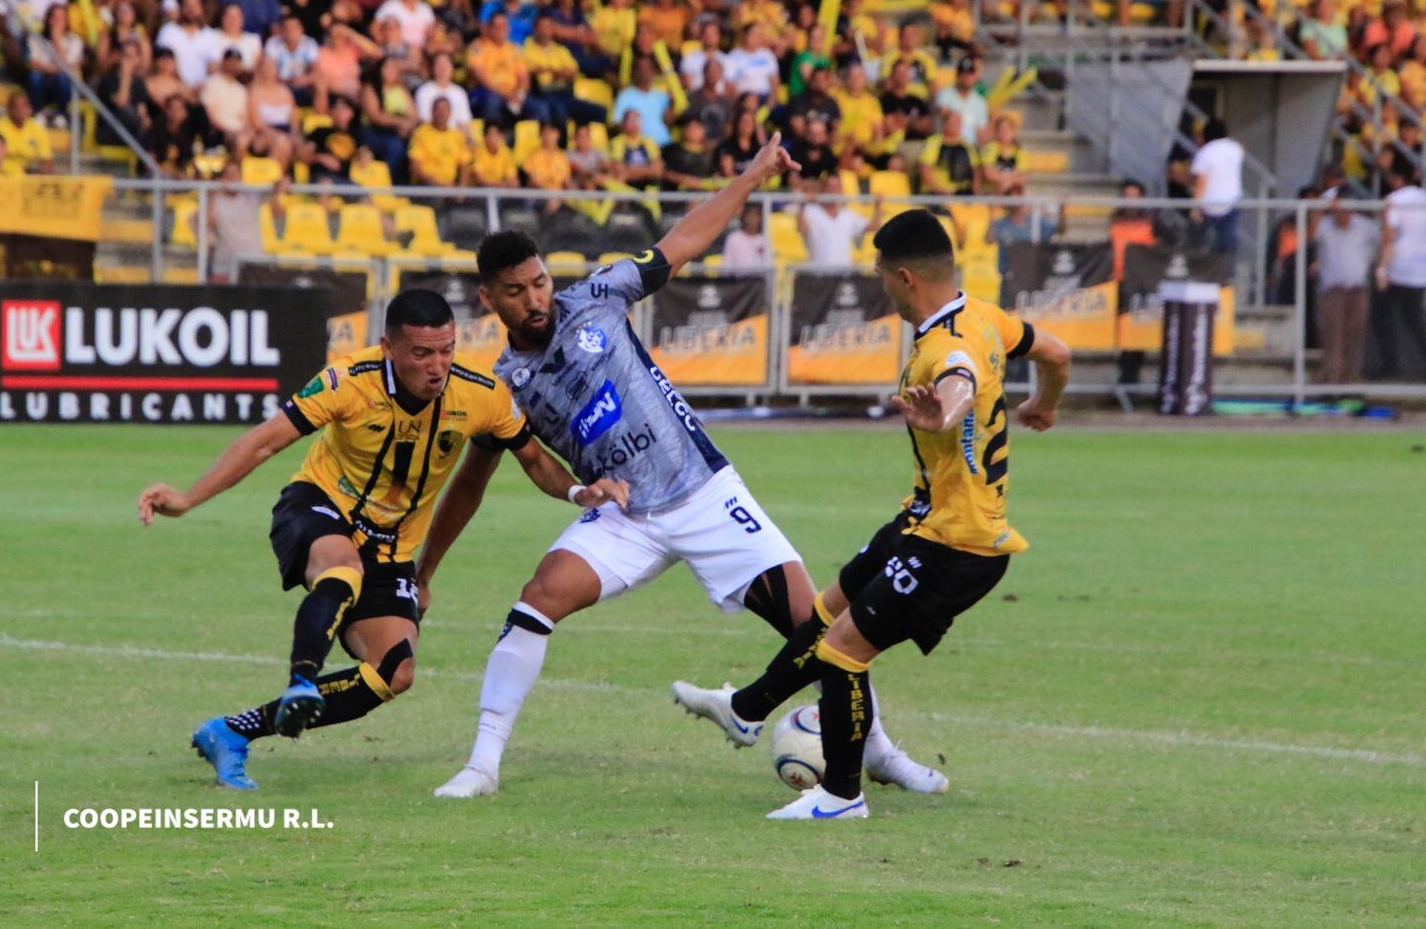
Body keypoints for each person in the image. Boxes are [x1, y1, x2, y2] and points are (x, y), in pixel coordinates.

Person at [433, 136, 945, 800]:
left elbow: (686, 238)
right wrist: (579, 491)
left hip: (702, 491)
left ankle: (880, 753)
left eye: (538, 283)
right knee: (535, 602)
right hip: (622, 516)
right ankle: (482, 765)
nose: (534, 299)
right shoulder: (504, 384)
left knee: (817, 627)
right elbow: (528, 462)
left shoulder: (599, 297)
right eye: (515, 292)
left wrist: (755, 173)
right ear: (487, 300)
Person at [139, 289, 631, 790]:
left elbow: (532, 458)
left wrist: (577, 491)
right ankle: (301, 680)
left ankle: (232, 732)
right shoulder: (349, 380)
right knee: (341, 570)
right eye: (421, 354)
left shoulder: (480, 395)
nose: (436, 366)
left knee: (394, 672)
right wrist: (187, 499)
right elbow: (265, 441)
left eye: (446, 350)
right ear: (388, 348)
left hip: (392, 550)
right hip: (317, 508)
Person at [672, 207, 1072, 820]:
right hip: (922, 519)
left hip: (957, 545)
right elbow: (1058, 351)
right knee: (826, 610)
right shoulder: (985, 316)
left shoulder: (948, 345)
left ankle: (840, 795)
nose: (881, 285)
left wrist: (945, 413)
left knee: (842, 652)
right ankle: (747, 710)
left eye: (883, 274)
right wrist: (1043, 403)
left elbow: (959, 381)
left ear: (906, 277)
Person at [1372, 160, 1426, 379]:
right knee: (1414, 316)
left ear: (1397, 179)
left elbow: (1389, 237)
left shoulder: (1393, 200)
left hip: (1399, 265)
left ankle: (1391, 365)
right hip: (1421, 263)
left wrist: (1383, 269)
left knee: (1381, 314)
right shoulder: (1423, 197)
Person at [1314, 199, 1378, 385]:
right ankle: (1332, 378)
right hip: (1333, 290)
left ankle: (1351, 379)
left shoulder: (1365, 227)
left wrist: (1379, 266)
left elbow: (1385, 239)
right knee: (1333, 334)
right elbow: (1311, 237)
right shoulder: (1325, 226)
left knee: (1355, 334)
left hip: (1357, 288)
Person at [1191, 118, 1245, 255]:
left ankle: (1201, 271)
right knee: (1227, 243)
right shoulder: (1235, 149)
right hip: (1232, 201)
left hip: (1209, 204)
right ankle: (1227, 274)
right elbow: (1241, 148)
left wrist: (1195, 207)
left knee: (1198, 242)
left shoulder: (1205, 153)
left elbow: (1201, 183)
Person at [796, 176, 869, 266]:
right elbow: (802, 229)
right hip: (818, 272)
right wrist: (803, 204)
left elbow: (873, 227)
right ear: (823, 189)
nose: (833, 191)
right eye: (830, 187)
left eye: (837, 187)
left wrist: (879, 207)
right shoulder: (810, 211)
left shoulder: (848, 215)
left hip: (844, 273)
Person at [722, 203, 772, 271]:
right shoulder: (733, 238)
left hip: (759, 279)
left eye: (755, 216)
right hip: (737, 279)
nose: (752, 220)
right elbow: (727, 265)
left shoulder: (764, 240)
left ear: (760, 219)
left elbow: (769, 265)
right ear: (743, 217)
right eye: (749, 216)